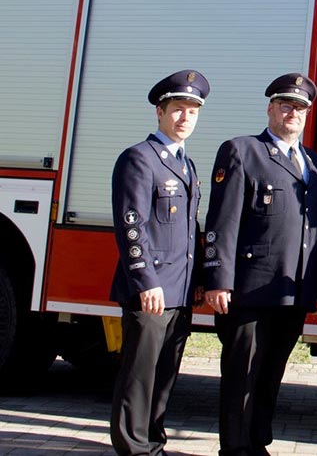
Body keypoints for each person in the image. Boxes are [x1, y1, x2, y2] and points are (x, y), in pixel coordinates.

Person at [202, 73, 317, 456]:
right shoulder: (243, 151)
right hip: (249, 290)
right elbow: (221, 221)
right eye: (286, 105)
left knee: (271, 373)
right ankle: (236, 448)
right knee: (243, 374)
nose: (293, 112)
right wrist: (217, 280)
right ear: (271, 109)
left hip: (294, 292)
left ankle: (257, 443)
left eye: (301, 107)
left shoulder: (316, 164)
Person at [109, 69, 210, 456]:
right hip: (150, 292)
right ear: (160, 111)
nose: (185, 118)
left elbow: (189, 231)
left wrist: (197, 278)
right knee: (139, 375)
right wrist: (145, 281)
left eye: (193, 111)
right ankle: (133, 447)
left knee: (165, 375)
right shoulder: (140, 158)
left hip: (179, 291)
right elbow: (131, 226)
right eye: (178, 109)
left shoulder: (187, 165)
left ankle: (153, 442)